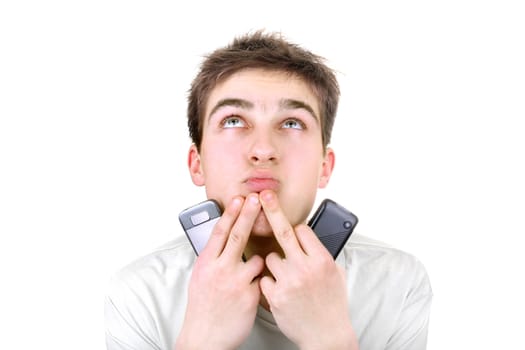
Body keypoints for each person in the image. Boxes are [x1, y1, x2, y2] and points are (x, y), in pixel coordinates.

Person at [104, 31, 432, 350]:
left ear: (325, 167)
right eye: (233, 120)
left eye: (291, 123)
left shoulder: (397, 282)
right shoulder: (139, 294)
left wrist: (329, 339)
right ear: (196, 164)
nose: (263, 150)